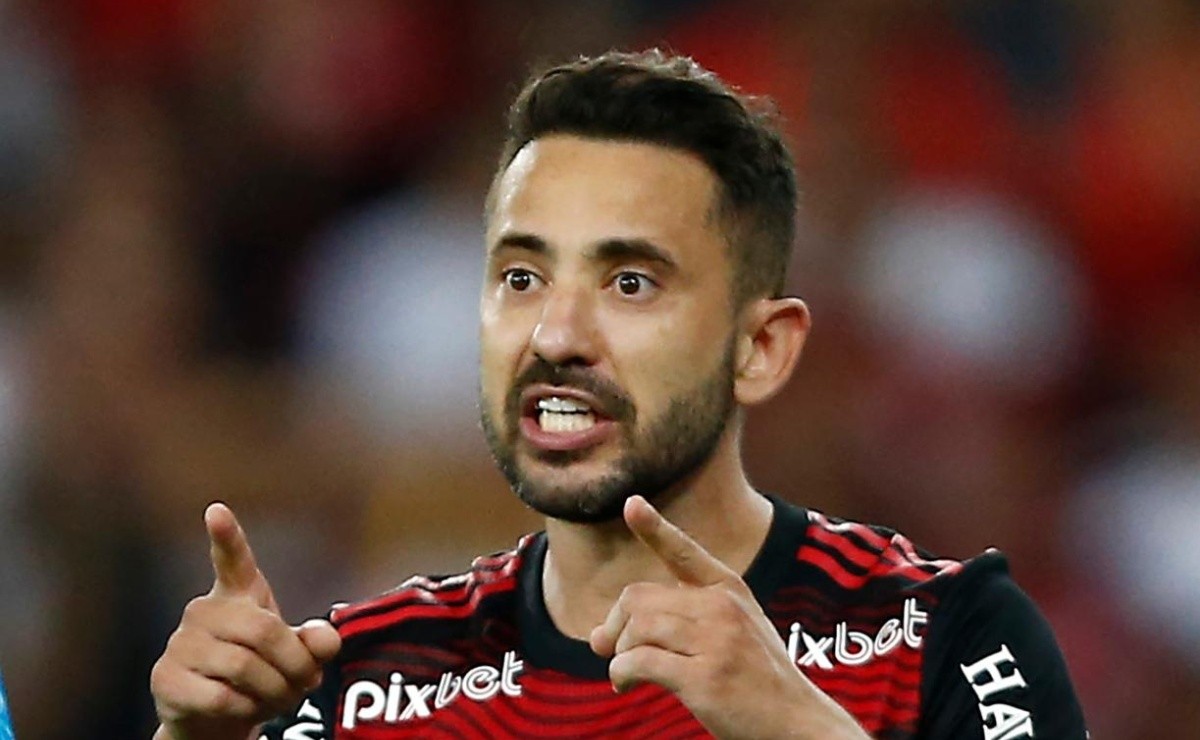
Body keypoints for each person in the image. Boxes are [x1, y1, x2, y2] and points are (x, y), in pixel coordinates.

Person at [149, 50, 1088, 739]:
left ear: (760, 349)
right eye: (522, 278)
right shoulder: (359, 683)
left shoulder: (948, 640)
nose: (556, 336)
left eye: (630, 283)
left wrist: (798, 727)